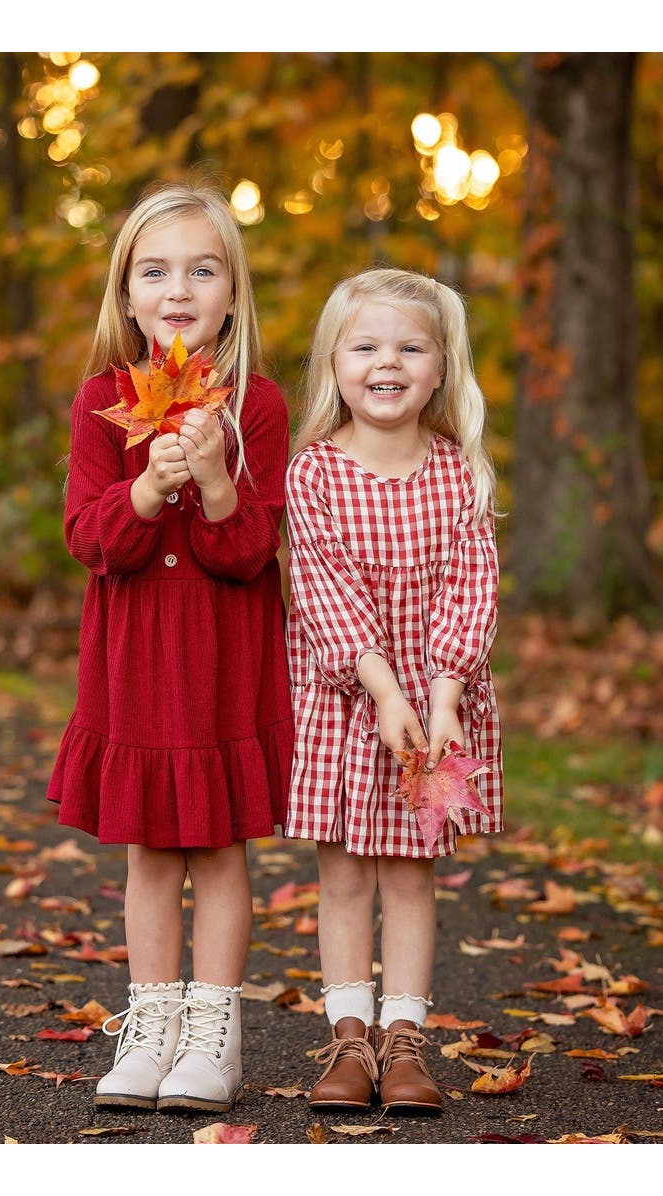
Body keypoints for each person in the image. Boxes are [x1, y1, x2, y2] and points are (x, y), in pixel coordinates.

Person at [46, 180, 293, 1114]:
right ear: (127, 294)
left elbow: (251, 555)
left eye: (202, 268)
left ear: (233, 291)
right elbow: (89, 539)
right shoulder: (103, 401)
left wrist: (220, 482)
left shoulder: (257, 405)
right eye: (155, 271)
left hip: (224, 656)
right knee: (151, 848)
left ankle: (212, 1031)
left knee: (221, 844)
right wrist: (149, 487)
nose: (178, 288)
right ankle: (150, 1024)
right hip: (137, 655)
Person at [284, 267, 503, 1114]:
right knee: (342, 877)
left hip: (435, 708)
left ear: (442, 368)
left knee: (413, 877)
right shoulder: (314, 474)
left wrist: (442, 696)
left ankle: (406, 1044)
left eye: (411, 346)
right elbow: (324, 592)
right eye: (366, 345)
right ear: (334, 364)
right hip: (346, 705)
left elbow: (472, 589)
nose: (388, 361)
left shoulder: (461, 475)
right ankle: (348, 1041)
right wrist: (382, 691)